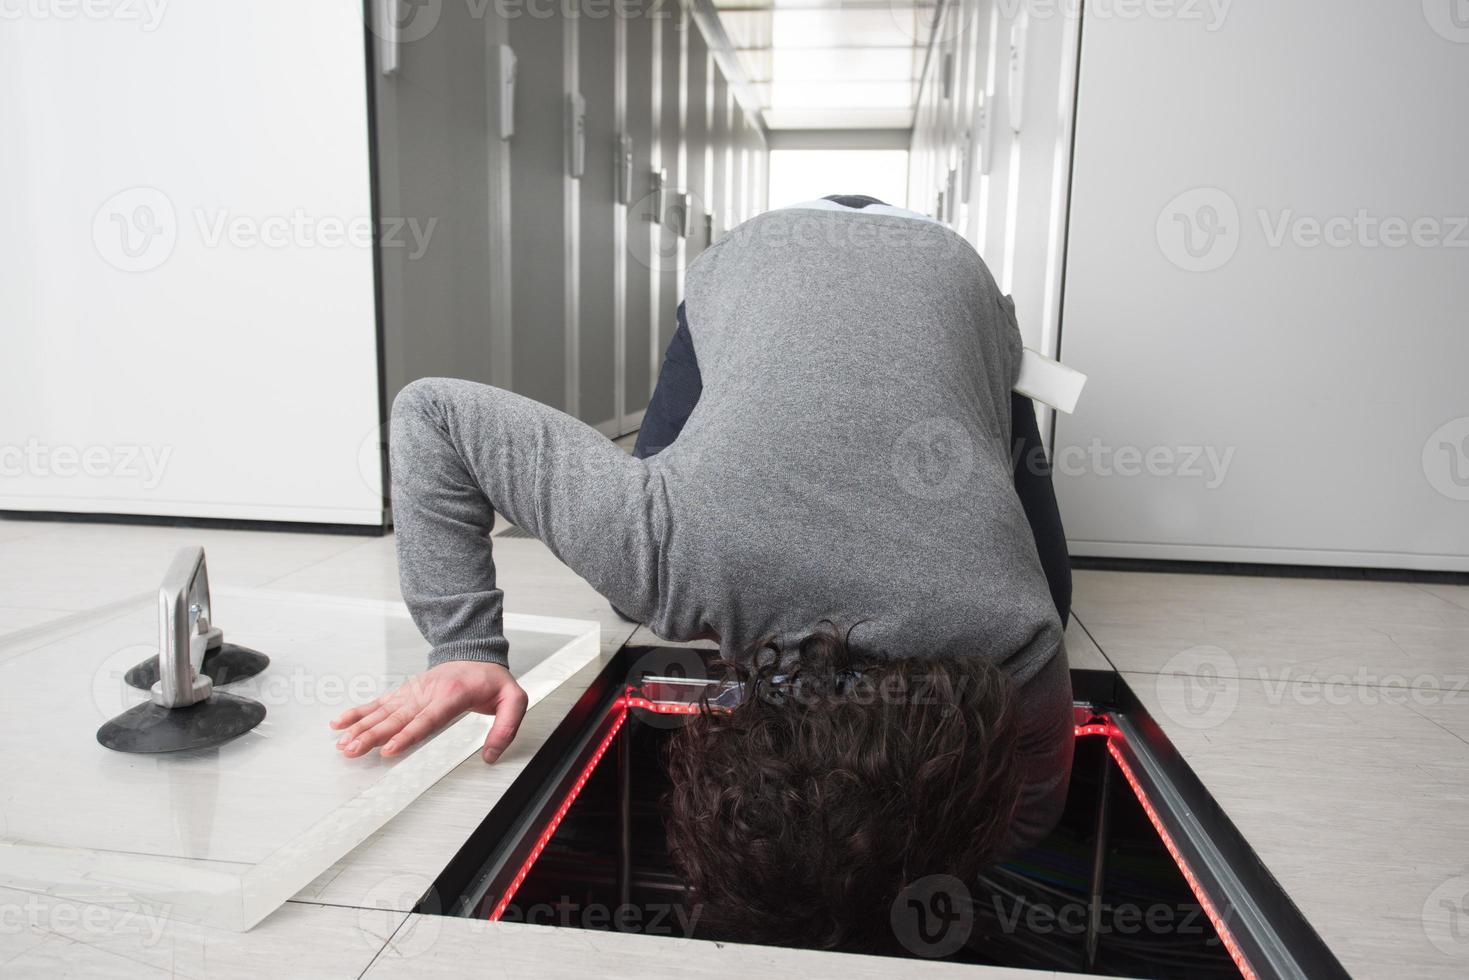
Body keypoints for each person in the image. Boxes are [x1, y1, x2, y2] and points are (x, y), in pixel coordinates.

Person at [330, 194, 1074, 950]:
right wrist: (464, 653)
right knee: (636, 598)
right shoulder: (667, 551)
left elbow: (1037, 799)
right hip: (837, 255)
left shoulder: (1012, 631)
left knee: (1051, 580)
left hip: (933, 269)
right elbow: (431, 416)